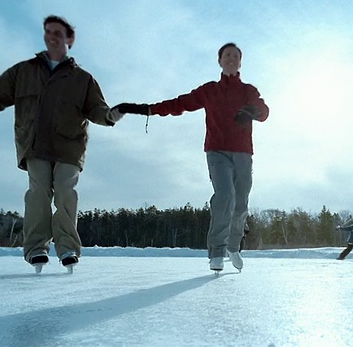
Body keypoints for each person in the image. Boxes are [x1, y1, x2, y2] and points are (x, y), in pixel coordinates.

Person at [0, 15, 124, 272]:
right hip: (34, 144)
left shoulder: (83, 79)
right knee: (38, 194)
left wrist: (110, 116)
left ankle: (67, 248)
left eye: (57, 32)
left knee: (66, 191)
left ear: (69, 39)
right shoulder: (24, 71)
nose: (51, 36)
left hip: (69, 146)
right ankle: (36, 250)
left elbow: (97, 109)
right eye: (47, 32)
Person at [113, 42, 269, 273]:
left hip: (243, 153)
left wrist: (253, 112)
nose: (231, 59)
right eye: (227, 55)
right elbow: (179, 104)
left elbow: (264, 112)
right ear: (220, 60)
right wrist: (143, 109)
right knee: (225, 195)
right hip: (217, 151)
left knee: (240, 203)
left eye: (236, 56)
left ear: (240, 62)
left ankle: (234, 246)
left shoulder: (248, 91)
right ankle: (217, 252)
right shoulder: (209, 91)